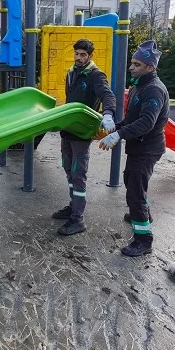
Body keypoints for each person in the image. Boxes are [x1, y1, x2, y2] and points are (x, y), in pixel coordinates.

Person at [99, 40, 170, 257]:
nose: (131, 67)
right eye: (132, 63)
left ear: (150, 66)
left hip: (148, 148)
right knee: (131, 181)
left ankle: (143, 240)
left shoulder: (153, 90)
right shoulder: (139, 85)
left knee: (135, 192)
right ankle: (143, 214)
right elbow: (132, 119)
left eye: (137, 64)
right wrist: (115, 127)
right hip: (138, 147)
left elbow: (146, 123)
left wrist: (118, 135)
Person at [51, 38, 117, 236]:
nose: (78, 58)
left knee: (78, 173)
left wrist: (108, 114)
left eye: (83, 55)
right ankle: (74, 205)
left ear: (90, 56)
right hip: (68, 130)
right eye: (76, 54)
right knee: (68, 169)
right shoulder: (71, 73)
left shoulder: (96, 75)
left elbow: (108, 95)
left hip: (81, 133)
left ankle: (78, 219)